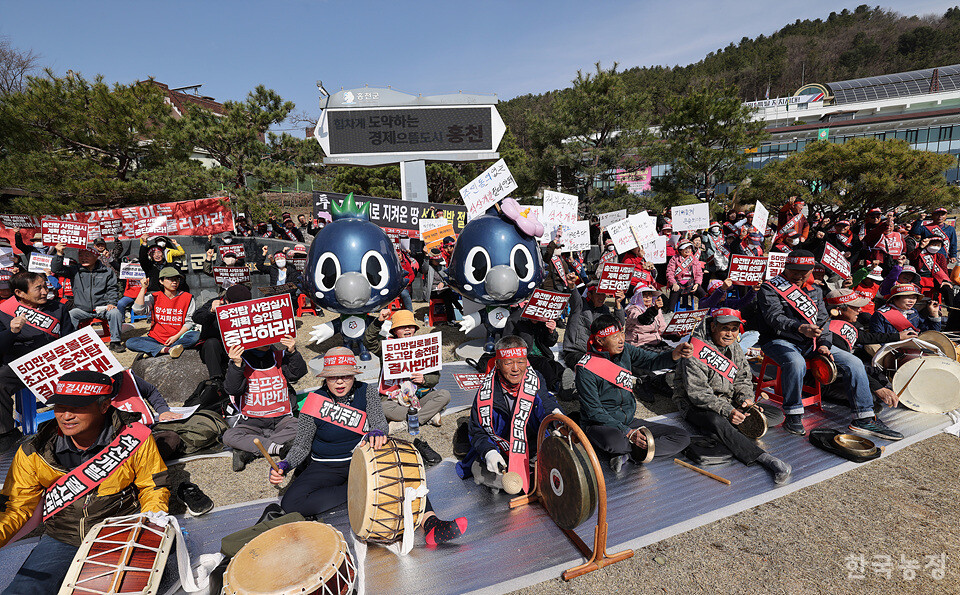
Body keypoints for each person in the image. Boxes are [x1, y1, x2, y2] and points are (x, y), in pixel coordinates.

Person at [269, 347, 467, 546]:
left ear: (354, 375)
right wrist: (285, 465)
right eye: (333, 377)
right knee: (290, 503)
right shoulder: (314, 401)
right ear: (325, 378)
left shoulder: (367, 392)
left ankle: (432, 524)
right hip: (325, 465)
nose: (340, 382)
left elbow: (379, 422)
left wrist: (378, 431)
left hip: (365, 460)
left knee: (404, 474)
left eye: (346, 376)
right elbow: (301, 445)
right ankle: (361, 491)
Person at [0, 370, 169, 593]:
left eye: (77, 408)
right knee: (23, 590)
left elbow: (153, 486)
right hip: (61, 537)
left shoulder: (134, 437)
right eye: (60, 407)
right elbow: (16, 506)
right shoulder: (34, 450)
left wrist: (152, 522)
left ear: (104, 406)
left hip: (120, 533)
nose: (66, 416)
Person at [757, 250, 902, 439]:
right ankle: (793, 414)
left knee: (854, 362)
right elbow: (774, 317)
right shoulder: (770, 287)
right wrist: (800, 328)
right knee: (796, 363)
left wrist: (824, 343)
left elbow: (823, 321)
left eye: (803, 272)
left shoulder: (815, 290)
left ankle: (864, 418)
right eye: (794, 271)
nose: (798, 276)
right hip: (779, 340)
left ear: (811, 271)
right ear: (786, 267)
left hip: (811, 341)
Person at [673, 309, 792, 484]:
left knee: (776, 414)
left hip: (728, 401)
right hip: (695, 405)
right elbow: (698, 393)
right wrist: (728, 411)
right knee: (716, 421)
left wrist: (745, 400)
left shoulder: (734, 346)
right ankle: (765, 458)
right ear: (713, 327)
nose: (730, 333)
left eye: (734, 329)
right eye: (725, 328)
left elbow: (742, 378)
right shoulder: (694, 349)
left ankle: (726, 432)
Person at [575, 314, 693, 471]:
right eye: (614, 336)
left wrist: (674, 355)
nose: (621, 340)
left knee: (682, 437)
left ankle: (629, 455)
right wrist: (627, 432)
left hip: (629, 421)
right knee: (615, 443)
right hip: (602, 425)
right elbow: (594, 411)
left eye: (622, 333)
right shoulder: (585, 369)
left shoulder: (626, 350)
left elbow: (651, 360)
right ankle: (631, 450)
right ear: (600, 340)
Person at [456, 336, 560, 493]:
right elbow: (477, 431)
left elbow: (546, 402)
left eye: (521, 361)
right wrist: (489, 451)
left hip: (530, 444)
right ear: (498, 364)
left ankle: (525, 477)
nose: (516, 368)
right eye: (508, 362)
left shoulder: (535, 379)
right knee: (481, 472)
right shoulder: (485, 393)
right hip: (501, 449)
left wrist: (556, 419)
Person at [363, 308, 448, 464]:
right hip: (392, 398)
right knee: (382, 408)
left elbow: (435, 377)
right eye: (402, 327)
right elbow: (368, 341)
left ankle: (406, 422)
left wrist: (424, 379)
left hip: (416, 398)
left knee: (444, 395)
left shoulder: (424, 346)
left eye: (410, 326)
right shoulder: (386, 346)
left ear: (415, 329)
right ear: (394, 331)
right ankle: (427, 416)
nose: (407, 329)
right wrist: (378, 322)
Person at [0, 272, 74, 452]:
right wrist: (12, 331)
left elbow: (70, 337)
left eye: (45, 286)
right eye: (38, 288)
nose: (44, 292)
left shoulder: (58, 308)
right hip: (20, 365)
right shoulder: (4, 311)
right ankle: (6, 434)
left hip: (54, 362)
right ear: (19, 293)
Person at [223, 334, 306, 471]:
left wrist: (292, 352)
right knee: (229, 436)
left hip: (281, 419)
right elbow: (232, 389)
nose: (265, 342)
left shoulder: (279, 355)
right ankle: (278, 448)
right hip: (251, 422)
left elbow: (297, 374)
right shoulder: (240, 360)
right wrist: (236, 365)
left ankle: (249, 451)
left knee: (305, 427)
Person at [825, 289, 911, 417]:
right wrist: (878, 389)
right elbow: (848, 367)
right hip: (828, 380)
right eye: (855, 307)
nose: (860, 310)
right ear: (839, 310)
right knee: (870, 396)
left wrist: (898, 336)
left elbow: (866, 337)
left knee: (880, 379)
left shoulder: (845, 323)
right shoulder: (828, 334)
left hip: (844, 372)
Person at [52, 243, 125, 353]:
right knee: (71, 315)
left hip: (103, 308)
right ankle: (70, 343)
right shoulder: (74, 270)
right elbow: (56, 269)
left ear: (96, 256)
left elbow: (112, 289)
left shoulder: (107, 271)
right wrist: (59, 253)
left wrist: (111, 303)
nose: (83, 258)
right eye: (81, 255)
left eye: (87, 255)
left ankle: (115, 342)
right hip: (82, 309)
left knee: (115, 313)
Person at [126, 268, 199, 359]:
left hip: (179, 337)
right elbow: (138, 310)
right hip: (156, 338)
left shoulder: (188, 298)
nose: (174, 282)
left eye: (177, 279)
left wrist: (176, 337)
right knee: (130, 342)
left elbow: (189, 322)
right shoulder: (154, 297)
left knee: (195, 336)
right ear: (161, 281)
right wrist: (143, 288)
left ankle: (155, 350)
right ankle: (167, 350)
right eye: (170, 279)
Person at [560, 281, 625, 370]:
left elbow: (618, 325)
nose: (602, 297)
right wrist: (572, 286)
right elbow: (574, 296)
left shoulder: (605, 309)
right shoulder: (579, 305)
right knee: (591, 366)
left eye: (604, 294)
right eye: (598, 294)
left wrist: (618, 303)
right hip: (575, 352)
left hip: (597, 352)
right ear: (589, 295)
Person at [193, 284, 250, 381]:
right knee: (211, 343)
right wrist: (211, 311)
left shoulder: (251, 306)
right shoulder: (216, 302)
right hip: (216, 349)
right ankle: (216, 380)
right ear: (227, 301)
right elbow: (196, 317)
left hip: (240, 347)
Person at [870, 283, 941, 335]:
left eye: (914, 298)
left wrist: (934, 314)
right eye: (907, 297)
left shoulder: (913, 312)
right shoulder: (881, 315)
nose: (911, 301)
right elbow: (877, 338)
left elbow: (931, 334)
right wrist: (898, 337)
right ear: (895, 298)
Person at [666, 240, 705, 311]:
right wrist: (674, 283)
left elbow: (699, 273)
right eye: (685, 248)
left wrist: (697, 284)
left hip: (691, 283)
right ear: (680, 250)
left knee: (703, 294)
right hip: (678, 283)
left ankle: (707, 309)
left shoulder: (694, 259)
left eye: (689, 248)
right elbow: (669, 273)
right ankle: (670, 312)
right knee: (674, 293)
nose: (687, 250)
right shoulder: (674, 259)